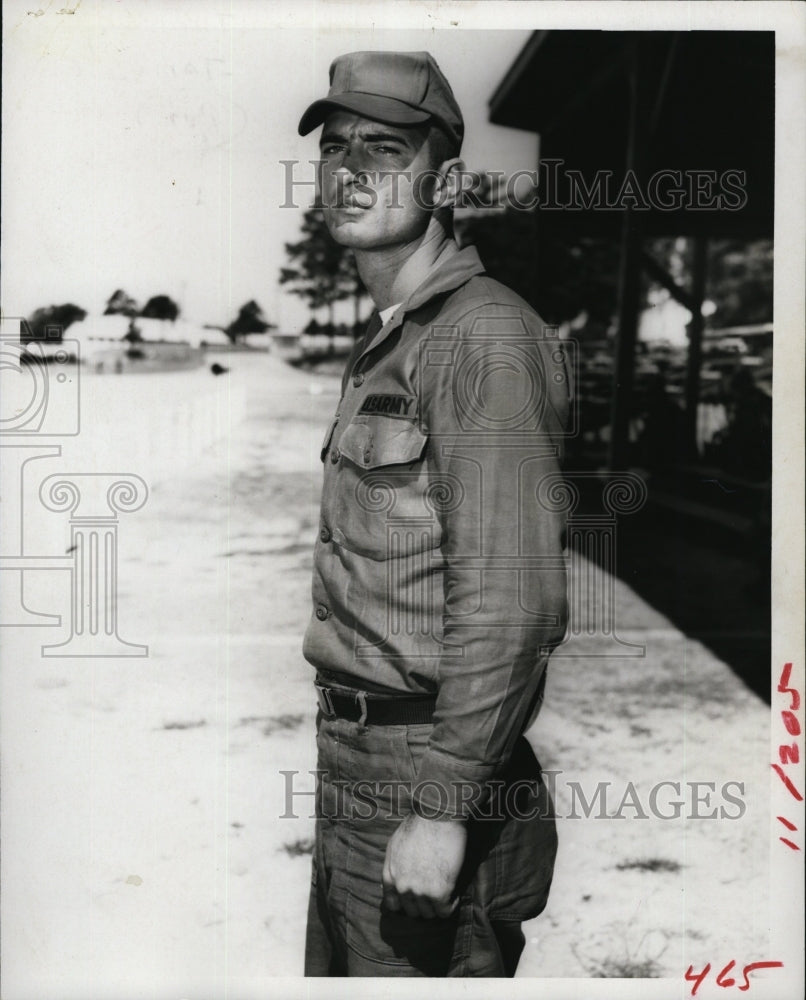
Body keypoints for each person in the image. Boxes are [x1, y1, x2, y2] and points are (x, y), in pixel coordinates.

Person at [297, 49, 570, 977]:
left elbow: (515, 599)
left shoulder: (479, 337)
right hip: (355, 763)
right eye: (337, 147)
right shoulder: (397, 339)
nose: (352, 168)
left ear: (445, 179)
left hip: (425, 770)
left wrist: (444, 809)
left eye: (385, 147)